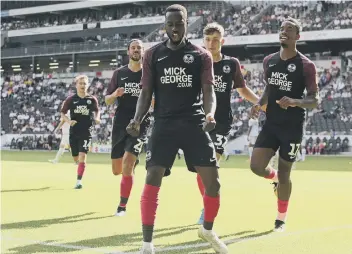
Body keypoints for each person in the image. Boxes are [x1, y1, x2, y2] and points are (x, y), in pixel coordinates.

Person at [126, 4, 228, 254]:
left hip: (194, 123)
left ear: (186, 23)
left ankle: (207, 229)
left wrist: (210, 113)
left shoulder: (201, 55)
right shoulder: (153, 55)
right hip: (164, 124)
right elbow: (146, 92)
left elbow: (208, 91)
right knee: (152, 178)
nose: (174, 28)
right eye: (170, 24)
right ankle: (147, 244)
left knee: (213, 184)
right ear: (165, 26)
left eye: (178, 23)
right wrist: (137, 118)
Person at [250, 17, 319, 232]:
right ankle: (276, 180)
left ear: (297, 36)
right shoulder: (269, 60)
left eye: (289, 30)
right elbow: (269, 89)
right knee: (256, 166)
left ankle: (280, 219)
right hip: (271, 124)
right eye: (281, 29)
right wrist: (259, 104)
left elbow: (315, 100)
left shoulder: (306, 66)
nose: (284, 32)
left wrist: (295, 101)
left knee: (286, 174)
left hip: (292, 128)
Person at [195, 22, 260, 225]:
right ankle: (208, 202)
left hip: (221, 121)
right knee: (200, 171)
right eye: (208, 39)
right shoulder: (197, 63)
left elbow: (242, 89)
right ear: (203, 41)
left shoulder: (231, 64)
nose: (211, 43)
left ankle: (208, 208)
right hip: (198, 120)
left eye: (215, 40)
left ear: (222, 41)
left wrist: (261, 103)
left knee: (210, 165)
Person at [105, 39, 150, 216]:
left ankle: (122, 206)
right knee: (117, 170)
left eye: (139, 48)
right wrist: (115, 94)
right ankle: (130, 165)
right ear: (128, 51)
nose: (136, 50)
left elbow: (157, 97)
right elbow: (107, 100)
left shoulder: (149, 73)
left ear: (143, 51)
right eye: (133, 47)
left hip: (141, 123)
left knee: (127, 164)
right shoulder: (119, 73)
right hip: (120, 123)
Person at [61, 75, 100, 189]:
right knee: (76, 157)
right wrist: (68, 121)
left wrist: (97, 118)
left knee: (83, 156)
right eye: (81, 83)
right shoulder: (70, 99)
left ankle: (79, 181)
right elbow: (62, 113)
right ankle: (79, 167)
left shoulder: (92, 99)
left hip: (87, 131)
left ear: (87, 85)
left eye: (85, 83)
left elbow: (97, 111)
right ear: (76, 85)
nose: (83, 85)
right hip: (74, 132)